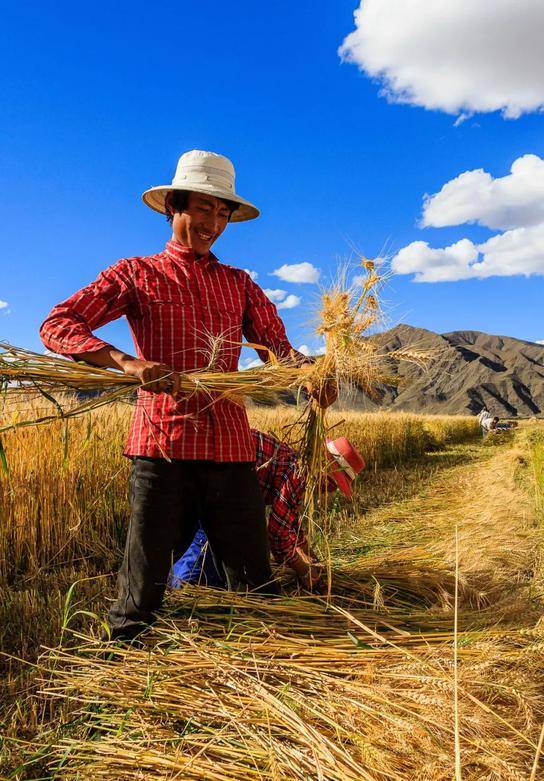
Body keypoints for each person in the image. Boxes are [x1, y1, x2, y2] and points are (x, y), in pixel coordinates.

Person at [39, 149, 337, 642]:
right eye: (204, 209)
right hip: (163, 446)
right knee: (143, 586)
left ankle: (262, 669)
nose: (214, 223)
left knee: (253, 580)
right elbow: (58, 325)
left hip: (229, 450)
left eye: (223, 214)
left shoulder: (239, 285)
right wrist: (128, 363)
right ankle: (123, 666)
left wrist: (312, 375)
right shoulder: (136, 274)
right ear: (173, 207)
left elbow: (279, 352)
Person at [171, 429, 366, 591]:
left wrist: (312, 558)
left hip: (217, 478)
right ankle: (182, 593)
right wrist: (303, 571)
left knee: (215, 557)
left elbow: (289, 521)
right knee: (203, 555)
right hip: (218, 482)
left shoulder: (295, 465)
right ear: (324, 468)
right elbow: (277, 534)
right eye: (334, 484)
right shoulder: (299, 474)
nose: (331, 491)